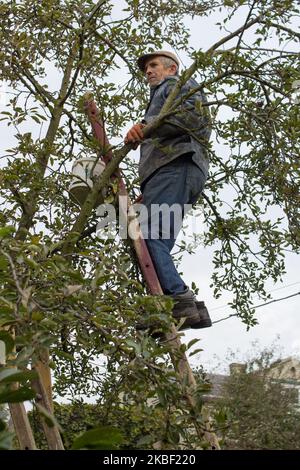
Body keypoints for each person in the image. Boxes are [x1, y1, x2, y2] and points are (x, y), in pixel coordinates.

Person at [125, 50, 212, 331]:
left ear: (171, 68)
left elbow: (190, 118)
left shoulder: (174, 85)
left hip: (177, 167)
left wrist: (145, 127)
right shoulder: (163, 94)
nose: (148, 71)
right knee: (154, 242)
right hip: (171, 173)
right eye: (146, 68)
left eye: (153, 66)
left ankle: (179, 299)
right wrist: (150, 187)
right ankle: (188, 310)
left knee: (148, 237)